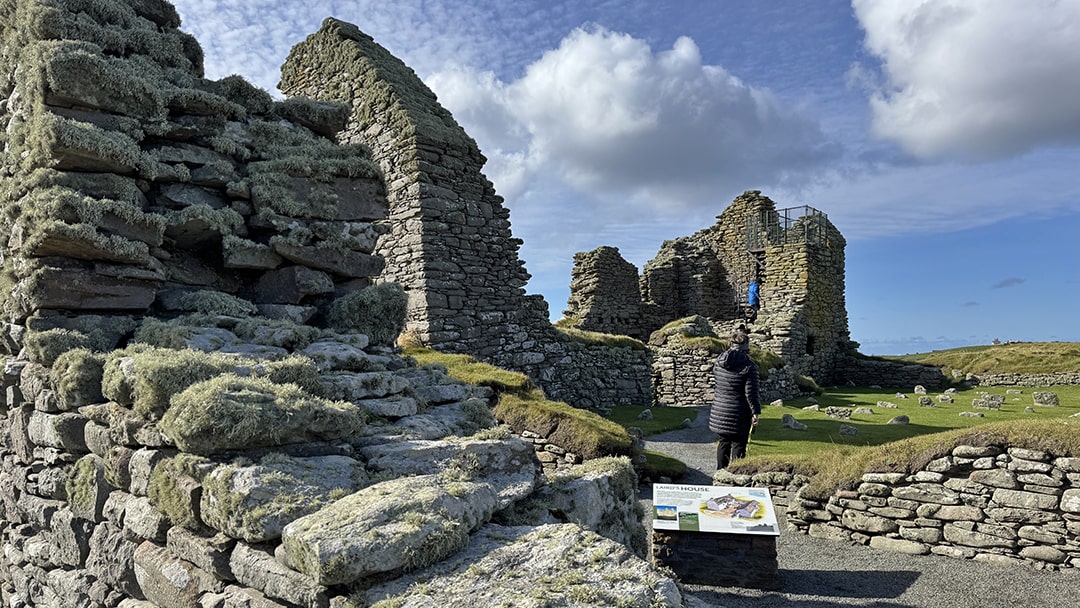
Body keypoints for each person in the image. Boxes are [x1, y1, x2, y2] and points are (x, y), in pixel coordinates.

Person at [709, 329, 761, 470]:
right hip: (739, 412)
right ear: (746, 347)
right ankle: (734, 477)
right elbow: (750, 393)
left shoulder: (719, 362)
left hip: (720, 409)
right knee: (739, 443)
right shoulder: (750, 367)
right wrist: (755, 412)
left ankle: (720, 474)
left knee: (724, 441)